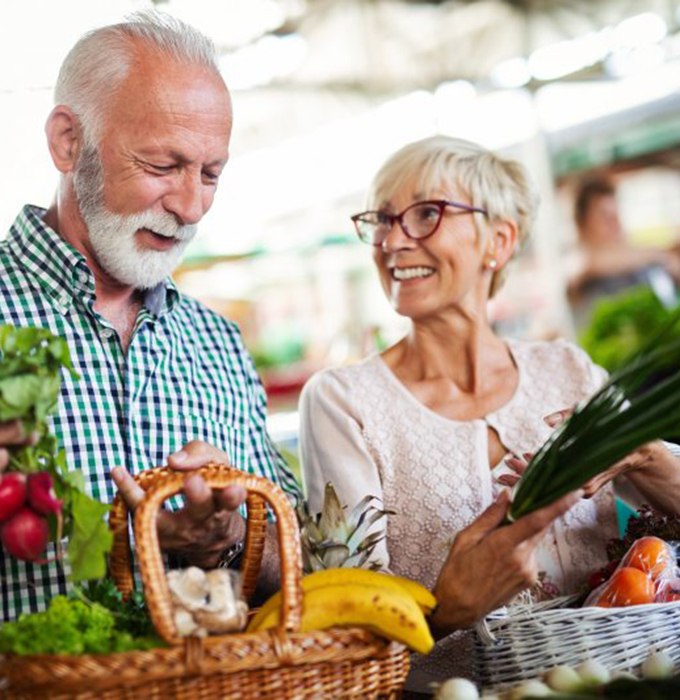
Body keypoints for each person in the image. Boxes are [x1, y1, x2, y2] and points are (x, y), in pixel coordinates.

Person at [298, 136, 680, 691]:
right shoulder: (344, 401)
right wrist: (449, 608)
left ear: (498, 240)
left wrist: (643, 456)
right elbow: (347, 629)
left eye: (426, 214)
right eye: (381, 220)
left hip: (625, 681)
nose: (391, 240)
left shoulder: (568, 371)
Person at [0, 12, 302, 622]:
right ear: (68, 141)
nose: (190, 207)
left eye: (210, 173)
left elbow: (298, 567)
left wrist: (230, 540)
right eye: (163, 167)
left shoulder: (217, 343)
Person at [567, 176, 680, 330]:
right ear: (582, 224)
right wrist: (661, 256)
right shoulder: (576, 265)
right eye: (605, 216)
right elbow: (590, 264)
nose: (615, 223)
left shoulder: (636, 263)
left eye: (616, 214)